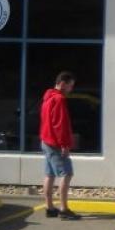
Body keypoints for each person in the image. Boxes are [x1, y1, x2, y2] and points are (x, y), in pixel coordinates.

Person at [40, 71, 79, 220]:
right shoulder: (59, 99)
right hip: (55, 143)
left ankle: (49, 207)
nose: (71, 89)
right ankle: (64, 209)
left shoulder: (47, 98)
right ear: (62, 83)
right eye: (70, 86)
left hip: (46, 141)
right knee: (67, 173)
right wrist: (64, 144)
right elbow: (60, 124)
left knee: (49, 174)